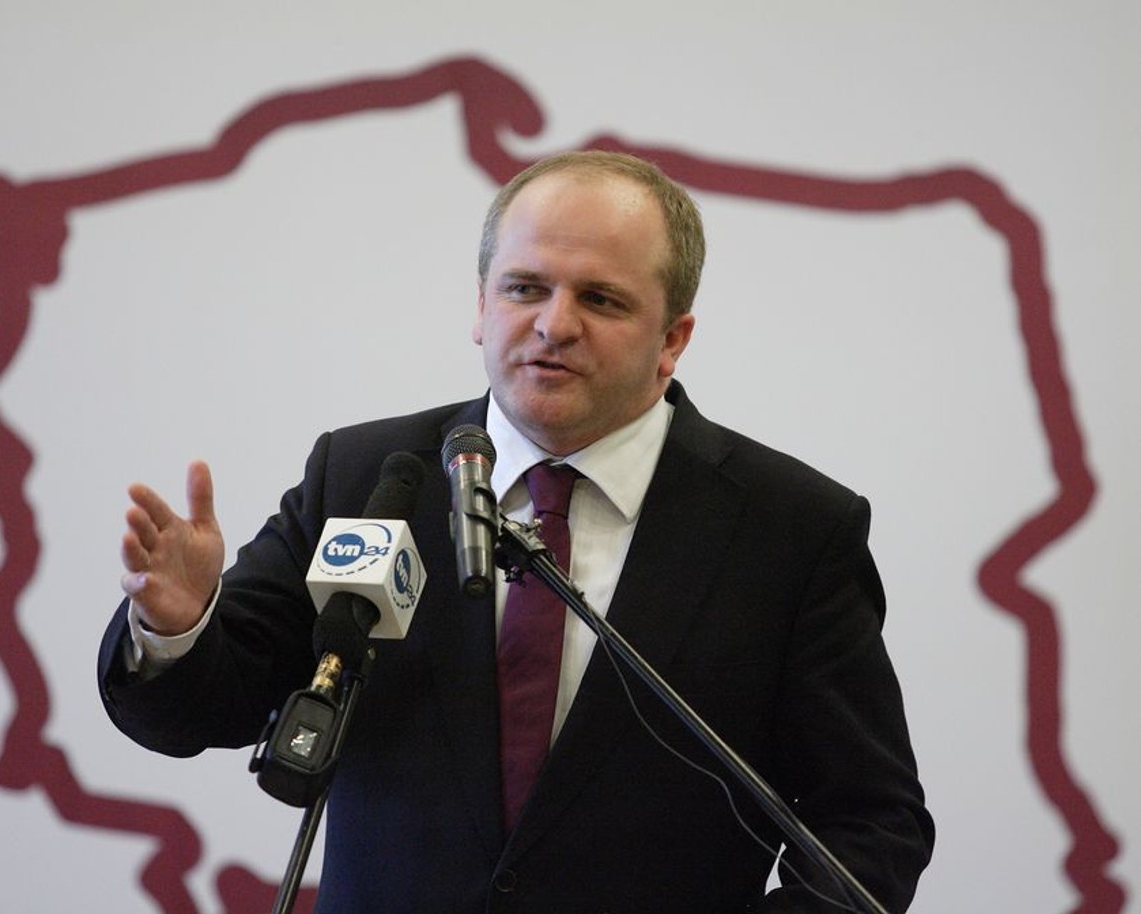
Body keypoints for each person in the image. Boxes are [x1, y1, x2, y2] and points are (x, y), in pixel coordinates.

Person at [99, 150, 934, 912]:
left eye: (600, 299)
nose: (555, 325)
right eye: (526, 288)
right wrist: (177, 625)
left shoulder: (790, 530)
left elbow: (870, 823)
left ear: (673, 339)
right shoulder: (366, 477)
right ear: (480, 306)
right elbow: (211, 707)